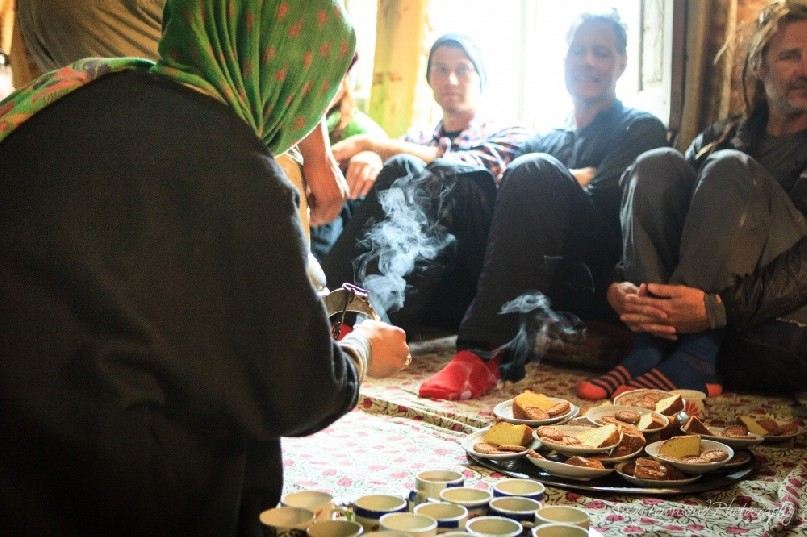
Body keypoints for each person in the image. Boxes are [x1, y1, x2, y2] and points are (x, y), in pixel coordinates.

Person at [0, 1, 410, 535]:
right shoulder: (241, 173)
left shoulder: (76, 93)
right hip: (108, 490)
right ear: (287, 75)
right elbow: (300, 392)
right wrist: (359, 352)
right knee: (240, 412)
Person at [418, 10, 668, 400]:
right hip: (534, 272)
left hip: (597, 276)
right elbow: (506, 212)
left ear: (621, 63)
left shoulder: (639, 127)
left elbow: (604, 205)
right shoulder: (543, 139)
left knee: (533, 171)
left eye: (601, 52)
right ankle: (364, 318)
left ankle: (482, 352)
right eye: (579, 51)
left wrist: (552, 181)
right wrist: (573, 176)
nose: (588, 61)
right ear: (565, 60)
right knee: (455, 177)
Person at [578, 0, 807, 399]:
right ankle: (650, 348)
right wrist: (619, 284)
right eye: (791, 56)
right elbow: (666, 211)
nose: (806, 69)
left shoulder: (728, 157)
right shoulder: (722, 135)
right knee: (657, 164)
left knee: (730, 167)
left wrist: (717, 309)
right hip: (709, 292)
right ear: (759, 65)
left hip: (776, 299)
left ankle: (696, 356)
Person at [323, 33, 530, 336]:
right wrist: (368, 157)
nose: (452, 80)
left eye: (463, 69)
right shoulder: (415, 138)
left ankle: (339, 316)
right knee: (372, 179)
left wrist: (372, 145)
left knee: (408, 167)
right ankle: (329, 308)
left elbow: (460, 173)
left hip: (466, 271)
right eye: (441, 69)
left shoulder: (509, 133)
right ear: (430, 79)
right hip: (413, 274)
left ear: (480, 77)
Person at [309, 71, 388, 262]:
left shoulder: (358, 127)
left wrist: (369, 153)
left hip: (331, 219)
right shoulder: (288, 123)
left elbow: (385, 162)